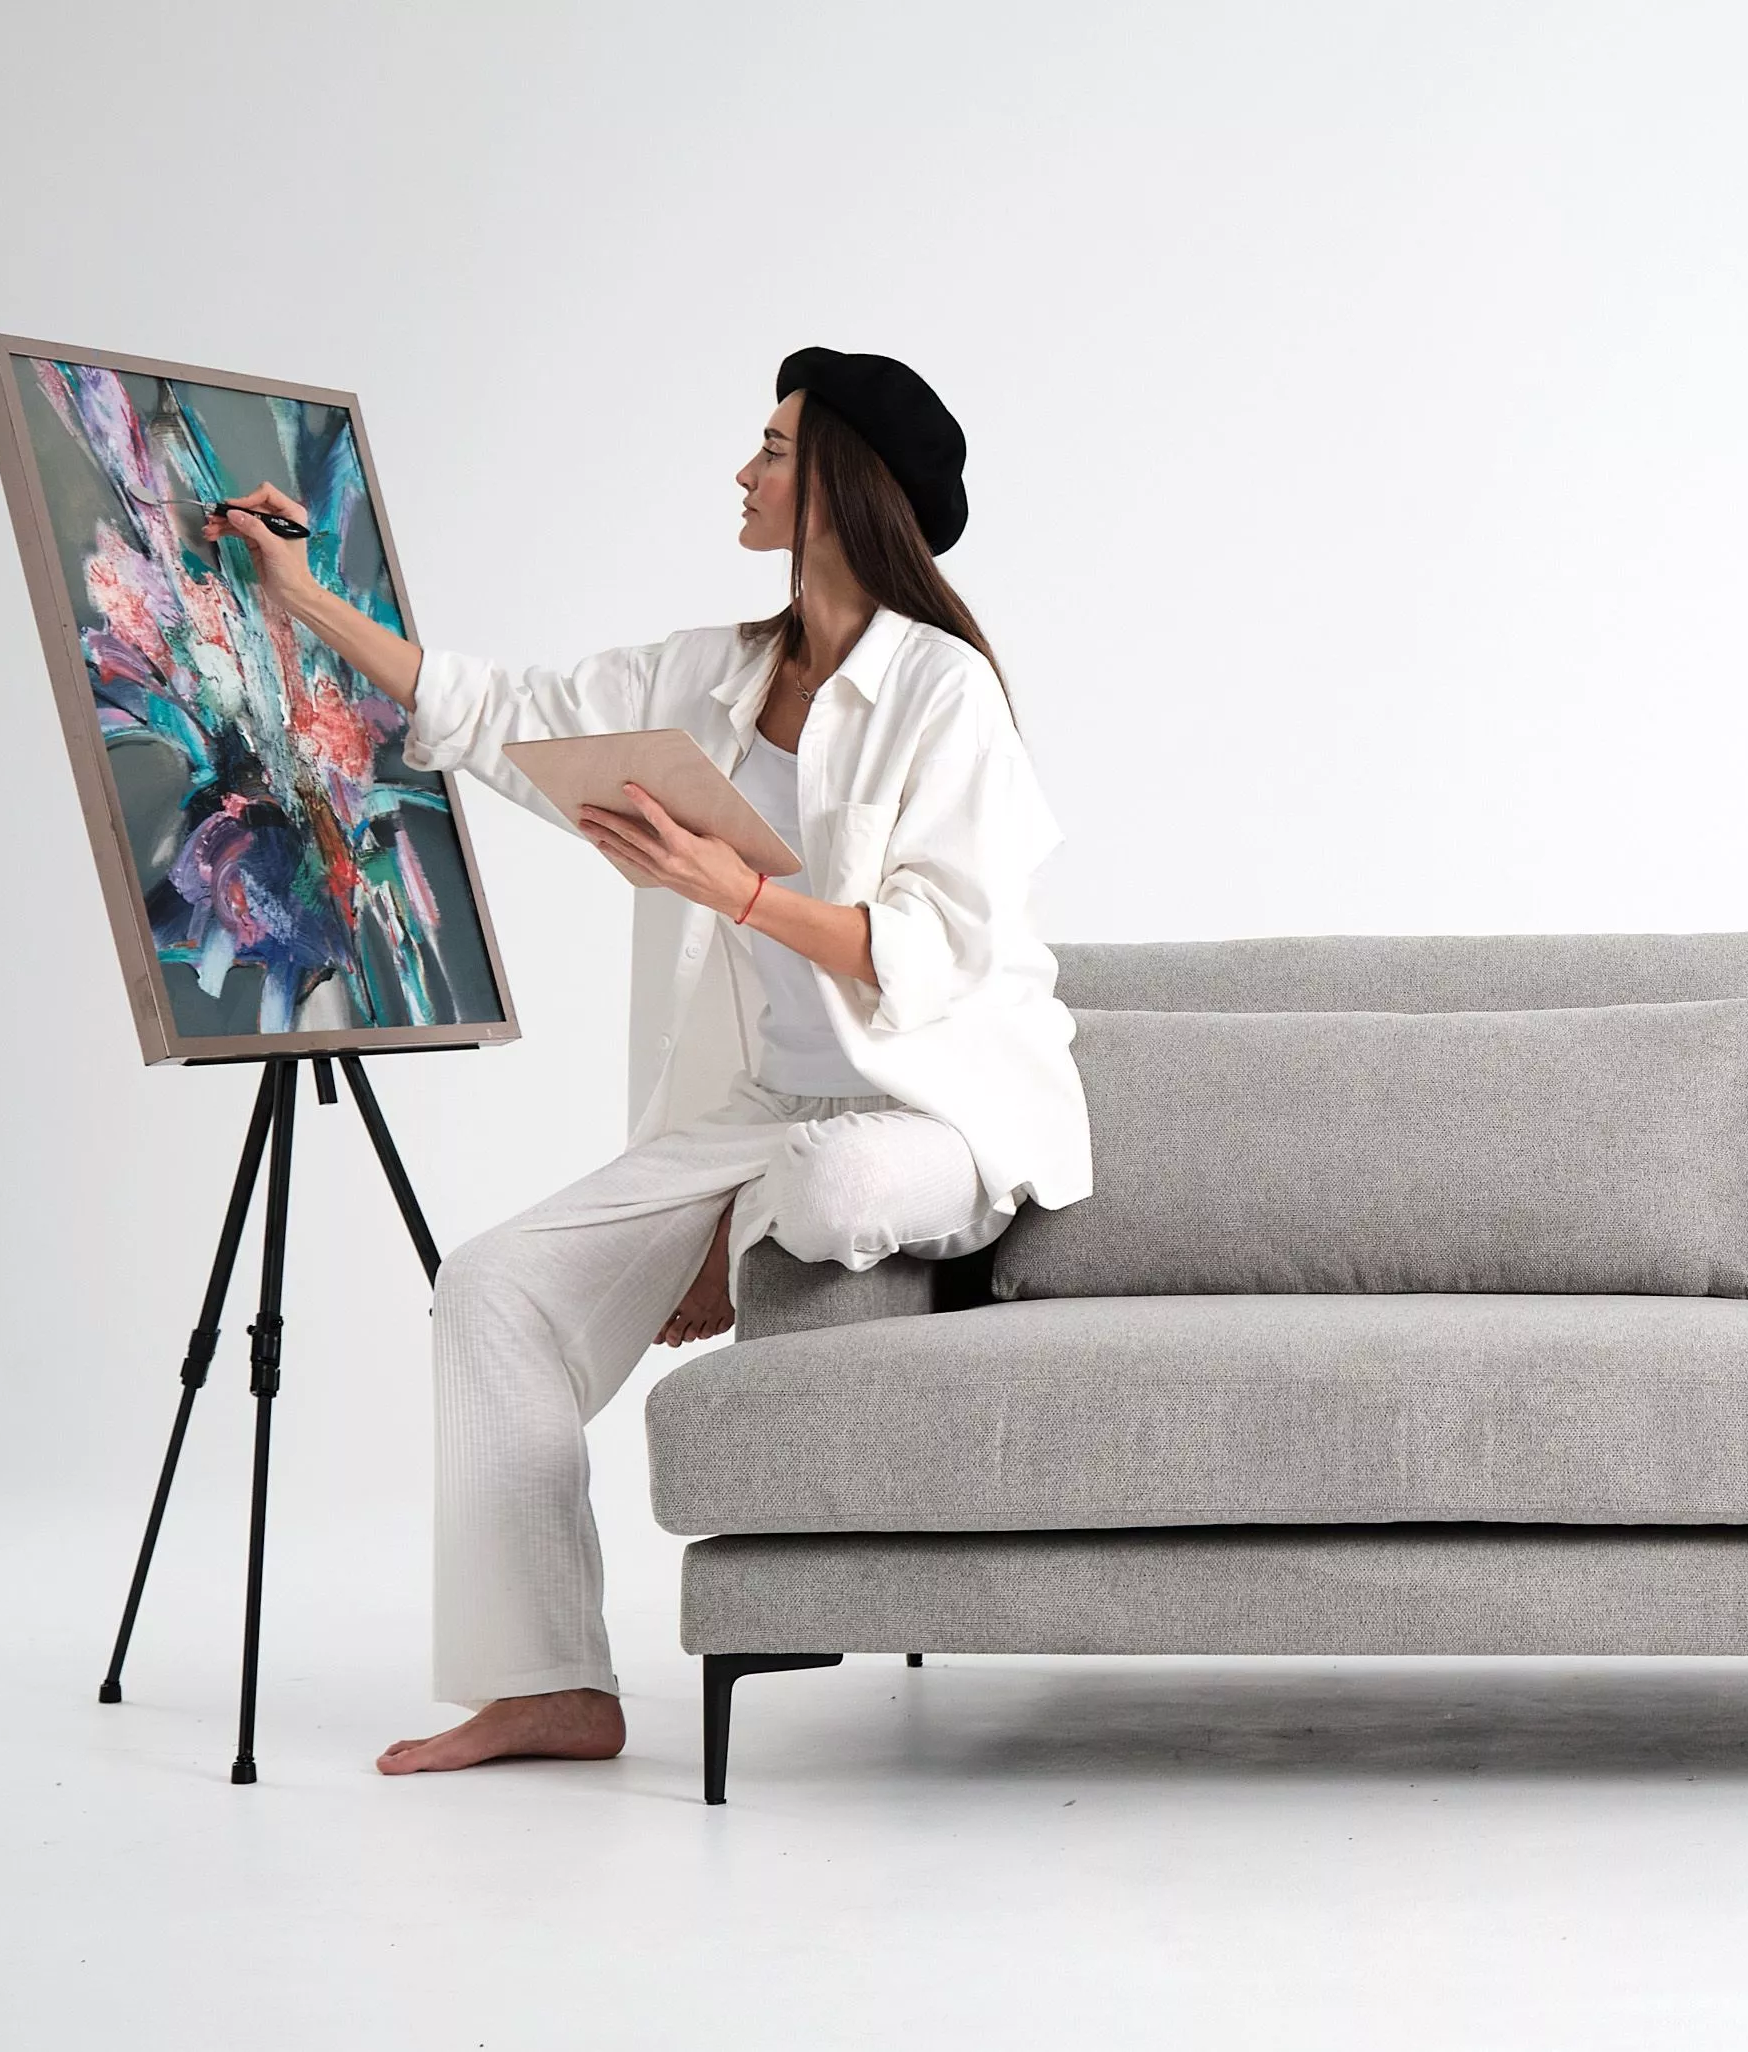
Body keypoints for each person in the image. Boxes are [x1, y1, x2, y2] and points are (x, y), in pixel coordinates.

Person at [211, 348, 1090, 1774]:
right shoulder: (712, 674)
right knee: (492, 1290)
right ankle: (550, 1683)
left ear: (841, 483)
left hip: (932, 1110)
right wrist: (305, 600)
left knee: (837, 1185)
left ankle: (735, 1238)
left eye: (772, 449)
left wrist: (735, 890)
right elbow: (497, 711)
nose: (744, 472)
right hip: (762, 1118)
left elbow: (934, 951)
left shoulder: (945, 692)